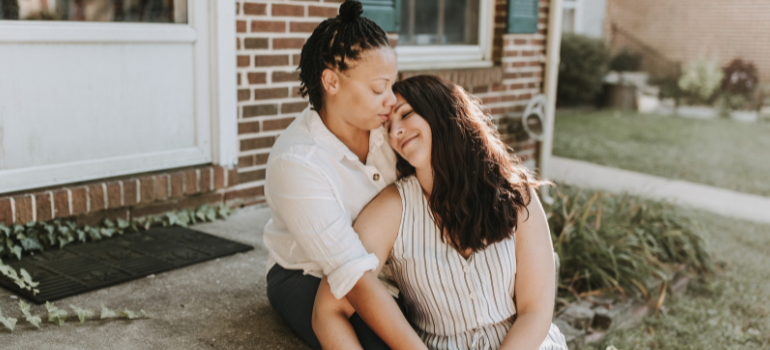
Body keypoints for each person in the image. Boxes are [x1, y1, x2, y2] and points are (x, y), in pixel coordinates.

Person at [312, 75, 568, 350]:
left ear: (443, 112)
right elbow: (327, 311)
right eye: (388, 126)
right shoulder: (392, 210)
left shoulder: (516, 194)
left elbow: (535, 312)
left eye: (406, 114)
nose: (395, 131)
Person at [262, 1, 428, 349]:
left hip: (383, 268)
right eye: (377, 88)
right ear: (331, 81)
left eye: (392, 85)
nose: (391, 100)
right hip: (308, 274)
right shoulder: (297, 162)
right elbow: (352, 276)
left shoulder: (391, 130)